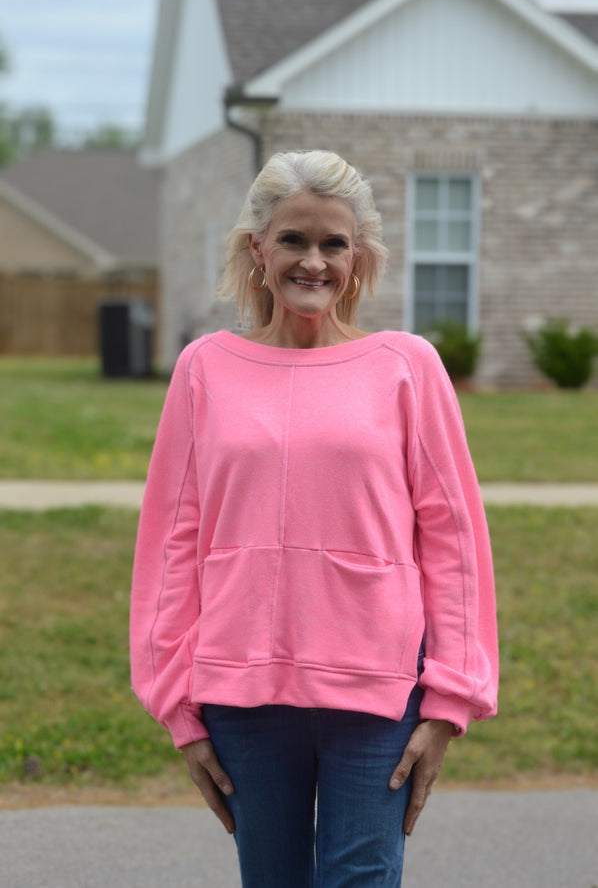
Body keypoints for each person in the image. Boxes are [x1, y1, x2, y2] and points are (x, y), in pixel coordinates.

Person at [130, 149, 498, 887]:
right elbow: (172, 541)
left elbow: (452, 539)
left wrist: (449, 697)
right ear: (256, 248)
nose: (314, 261)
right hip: (241, 693)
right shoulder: (205, 367)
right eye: (295, 239)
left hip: (377, 689)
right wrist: (177, 706)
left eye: (334, 243)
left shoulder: (407, 365)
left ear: (358, 257)